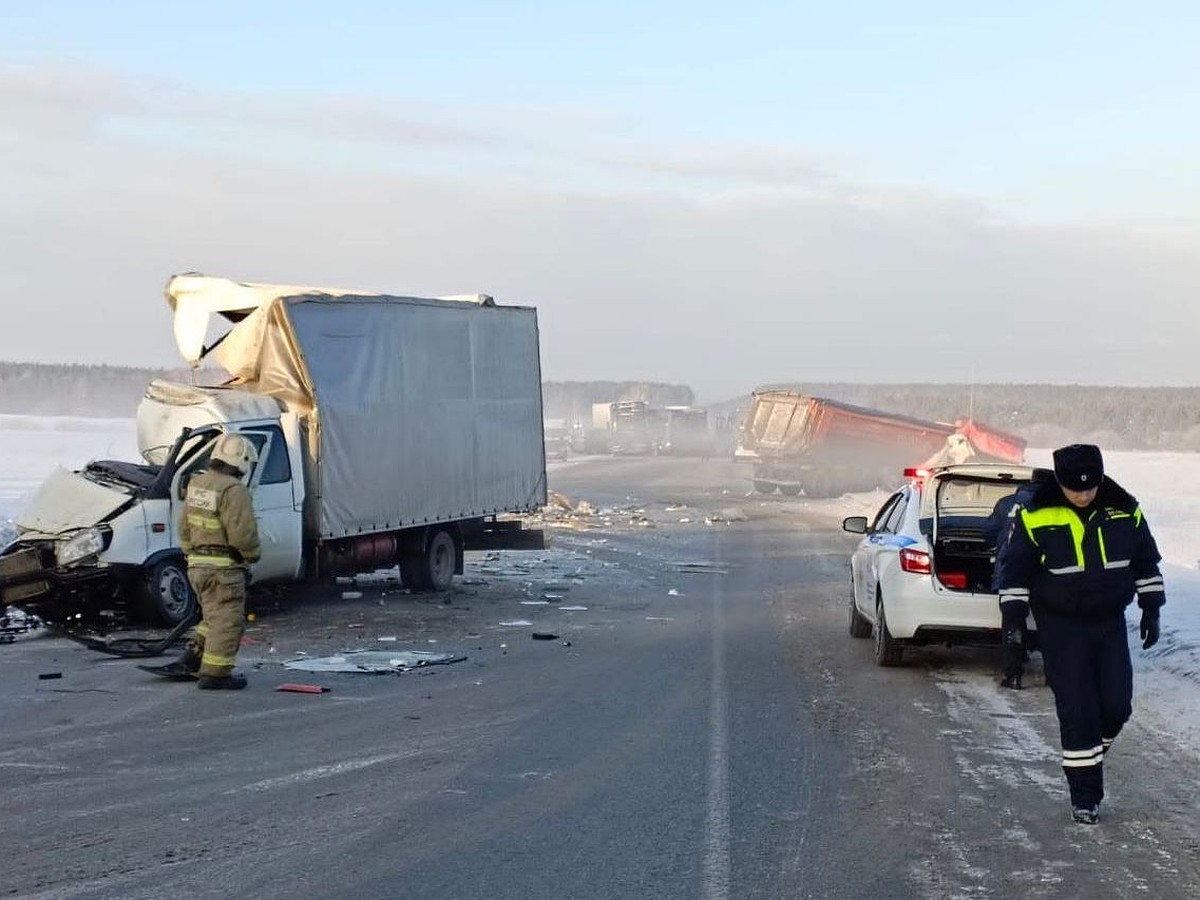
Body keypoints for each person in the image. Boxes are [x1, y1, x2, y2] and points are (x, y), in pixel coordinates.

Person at [994, 444, 1164, 825]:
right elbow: (1015, 571)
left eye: (1090, 488)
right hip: (1061, 625)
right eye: (1075, 489)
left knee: (1118, 705)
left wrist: (1151, 607)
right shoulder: (1036, 513)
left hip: (1108, 622)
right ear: (1060, 482)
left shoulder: (1125, 509)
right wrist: (1015, 626)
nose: (1084, 495)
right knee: (1078, 710)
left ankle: (1088, 755)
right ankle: (1085, 797)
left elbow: (1145, 560)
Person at [169, 433, 262, 690]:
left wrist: (191, 554)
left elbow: (184, 525)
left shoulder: (197, 484)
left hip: (197, 566)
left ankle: (192, 658)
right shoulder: (234, 490)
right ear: (241, 461)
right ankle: (215, 673)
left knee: (213, 616)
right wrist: (251, 556)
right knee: (227, 620)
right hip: (224, 569)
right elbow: (242, 533)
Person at [985, 467, 1053, 690]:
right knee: (1050, 625)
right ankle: (1053, 677)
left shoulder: (1006, 503)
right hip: (1045, 576)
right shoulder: (1055, 505)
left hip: (1012, 573)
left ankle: (1013, 676)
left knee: (1013, 625)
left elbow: (988, 533)